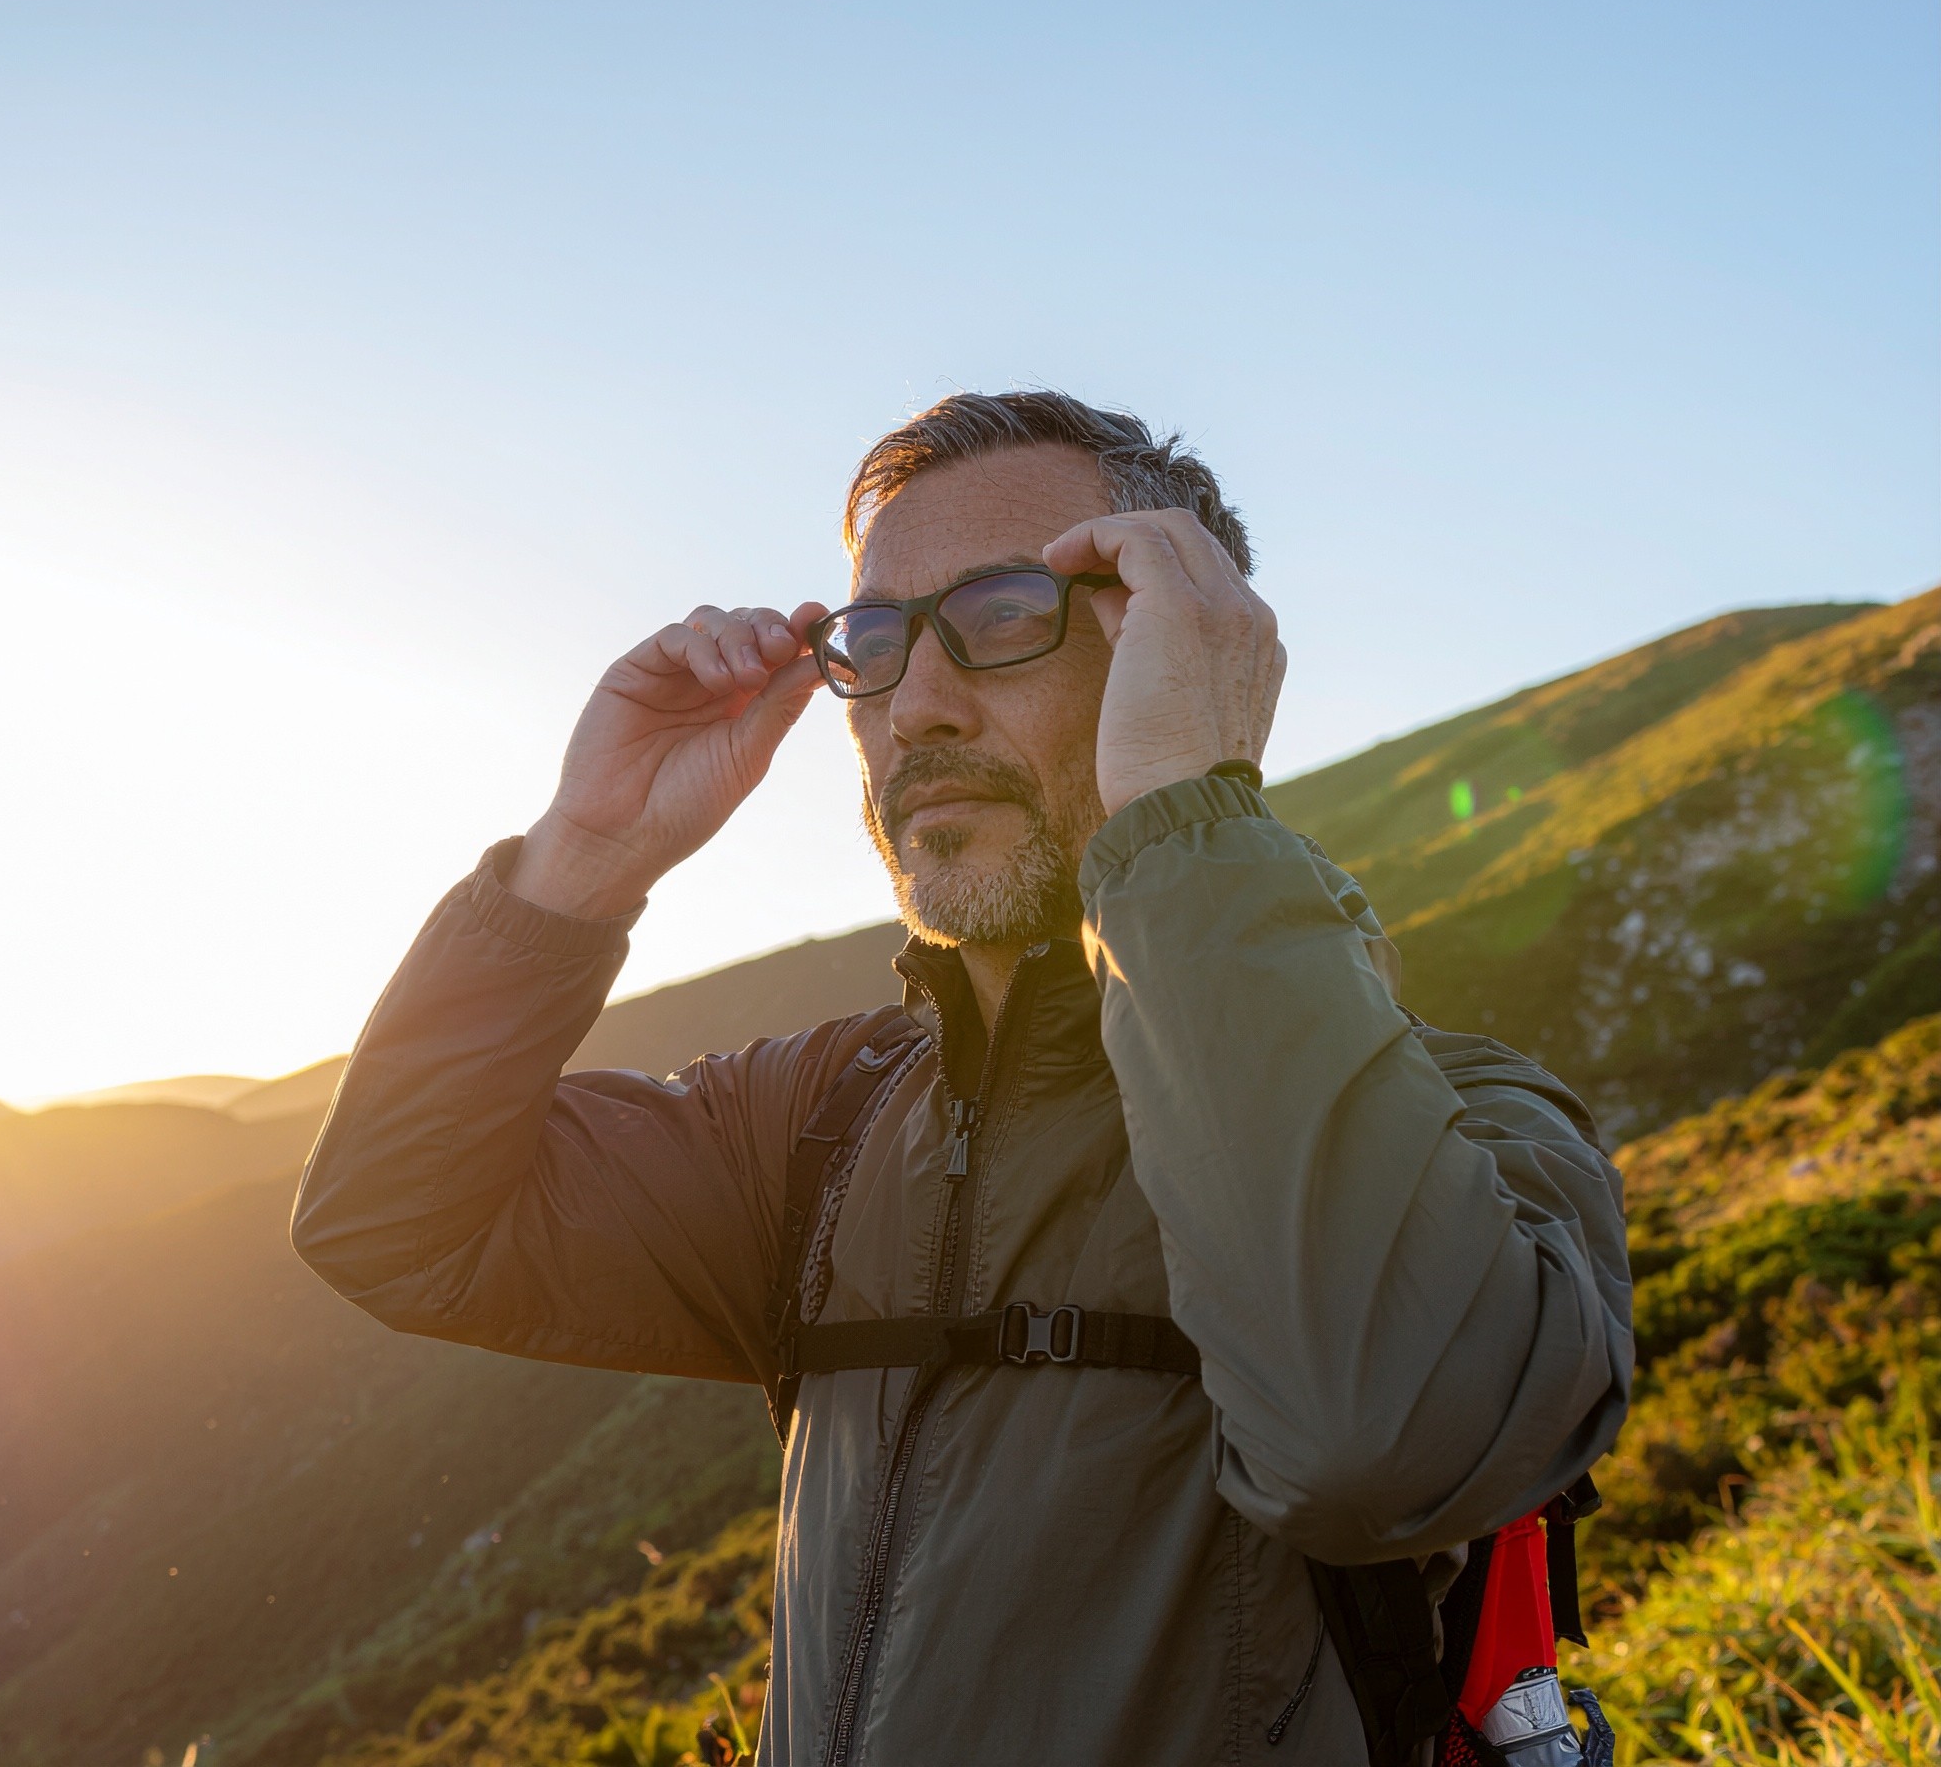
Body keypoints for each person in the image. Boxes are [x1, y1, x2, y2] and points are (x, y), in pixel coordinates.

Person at [291, 391, 1632, 1766]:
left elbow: (1379, 1443)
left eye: (1001, 617)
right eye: (875, 643)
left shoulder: (1475, 1133)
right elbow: (396, 1222)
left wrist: (1185, 803)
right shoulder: (821, 1125)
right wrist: (585, 852)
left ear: (1183, 643)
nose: (917, 707)